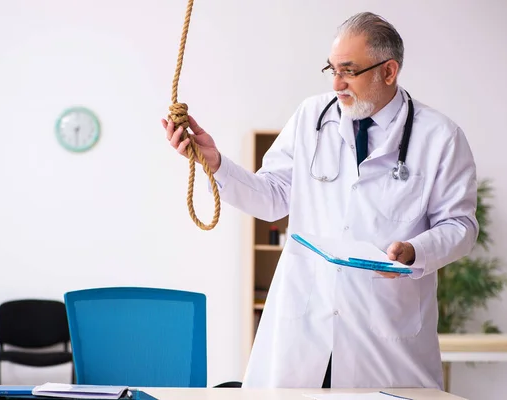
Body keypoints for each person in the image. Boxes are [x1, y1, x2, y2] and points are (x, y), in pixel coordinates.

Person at [161, 11, 478, 390]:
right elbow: (273, 198)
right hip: (304, 328)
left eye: (349, 70)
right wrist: (216, 163)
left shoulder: (440, 137)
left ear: (388, 71)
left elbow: (461, 226)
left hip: (384, 336)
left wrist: (416, 250)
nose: (337, 83)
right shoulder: (312, 116)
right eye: (331, 68)